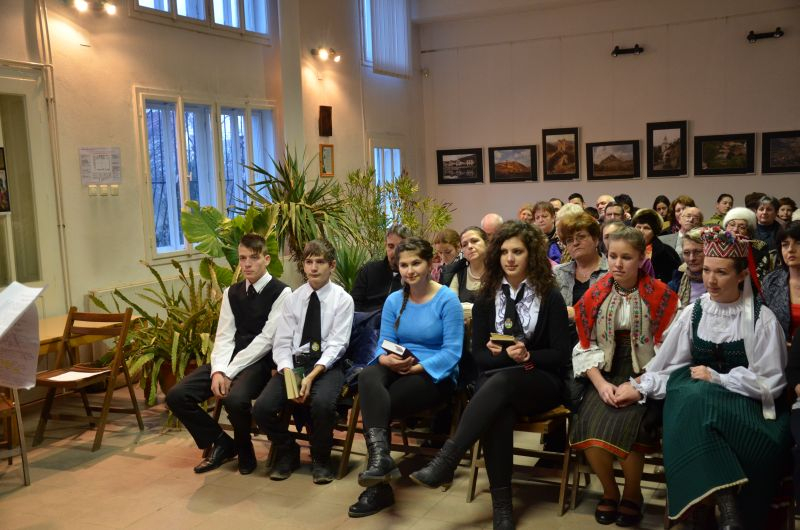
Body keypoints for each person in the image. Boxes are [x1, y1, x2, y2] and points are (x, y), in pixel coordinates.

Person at [409, 221, 571, 530]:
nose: (510, 258)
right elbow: (479, 358)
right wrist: (497, 355)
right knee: (499, 409)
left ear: (531, 254)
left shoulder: (549, 295)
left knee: (502, 383)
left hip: (539, 379)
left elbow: (560, 355)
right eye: (505, 252)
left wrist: (529, 355)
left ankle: (448, 459)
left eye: (518, 252)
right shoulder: (487, 296)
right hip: (497, 380)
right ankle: (502, 509)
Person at [628, 227, 790, 530]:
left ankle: (703, 507)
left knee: (694, 399)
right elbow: (668, 364)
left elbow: (771, 383)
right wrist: (641, 385)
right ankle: (727, 509)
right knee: (690, 395)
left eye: (722, 272)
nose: (711, 280)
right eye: (707, 270)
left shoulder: (762, 319)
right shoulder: (695, 312)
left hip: (749, 409)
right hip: (700, 401)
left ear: (742, 275)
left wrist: (719, 379)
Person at [570, 227, 679, 527]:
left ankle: (632, 494)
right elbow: (585, 345)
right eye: (613, 256)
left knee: (631, 426)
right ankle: (610, 491)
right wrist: (600, 384)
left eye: (626, 257)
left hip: (647, 373)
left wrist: (639, 385)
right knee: (588, 423)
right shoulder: (595, 294)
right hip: (604, 370)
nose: (617, 264)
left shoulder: (663, 296)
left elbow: (669, 353)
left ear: (642, 258)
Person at [348, 237, 463, 518]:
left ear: (431, 263)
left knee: (380, 405)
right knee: (367, 376)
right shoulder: (394, 300)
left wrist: (416, 368)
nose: (409, 271)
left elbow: (452, 352)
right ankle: (380, 462)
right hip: (396, 363)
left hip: (433, 372)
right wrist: (385, 359)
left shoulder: (447, 299)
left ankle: (378, 486)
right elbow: (384, 343)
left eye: (416, 263)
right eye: (403, 265)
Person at [166, 233, 291, 475]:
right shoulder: (231, 293)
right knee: (177, 395)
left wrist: (229, 372)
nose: (247, 264)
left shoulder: (282, 293)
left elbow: (266, 340)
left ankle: (245, 450)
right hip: (230, 360)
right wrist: (218, 371)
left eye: (254, 258)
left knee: (235, 399)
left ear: (266, 259)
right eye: (242, 258)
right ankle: (222, 442)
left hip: (261, 363)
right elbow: (224, 336)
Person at [253, 239, 354, 483]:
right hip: (295, 364)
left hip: (327, 366)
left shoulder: (343, 300)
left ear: (332, 265)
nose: (314, 268)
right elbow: (282, 343)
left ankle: (321, 458)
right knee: (262, 409)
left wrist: (311, 376)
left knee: (322, 404)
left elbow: (337, 345)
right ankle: (288, 448)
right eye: (309, 262)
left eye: (320, 262)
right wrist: (290, 375)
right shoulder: (294, 299)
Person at [351, 224, 411, 312]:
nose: (394, 252)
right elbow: (354, 304)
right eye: (391, 246)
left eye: (400, 247)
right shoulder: (369, 270)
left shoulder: (412, 276)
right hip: (367, 319)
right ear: (385, 245)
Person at [763, 221, 800, 344]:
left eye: (798, 243)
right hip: (779, 351)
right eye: (785, 244)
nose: (790, 250)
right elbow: (760, 321)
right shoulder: (771, 281)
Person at [631, 208, 681, 284]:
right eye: (638, 227)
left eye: (646, 228)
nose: (641, 231)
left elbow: (674, 281)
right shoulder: (626, 248)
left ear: (654, 232)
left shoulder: (666, 253)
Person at [441, 226, 489, 305]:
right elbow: (452, 306)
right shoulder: (458, 275)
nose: (469, 246)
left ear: (487, 243)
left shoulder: (498, 272)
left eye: (474, 241)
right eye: (464, 245)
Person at [724, 206, 774, 279]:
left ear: (748, 232)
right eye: (732, 225)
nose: (735, 229)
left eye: (742, 227)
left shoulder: (760, 248)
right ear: (725, 228)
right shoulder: (717, 244)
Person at [667, 227, 707, 309]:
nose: (692, 258)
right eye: (686, 253)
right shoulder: (676, 283)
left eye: (698, 252)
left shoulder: (720, 283)